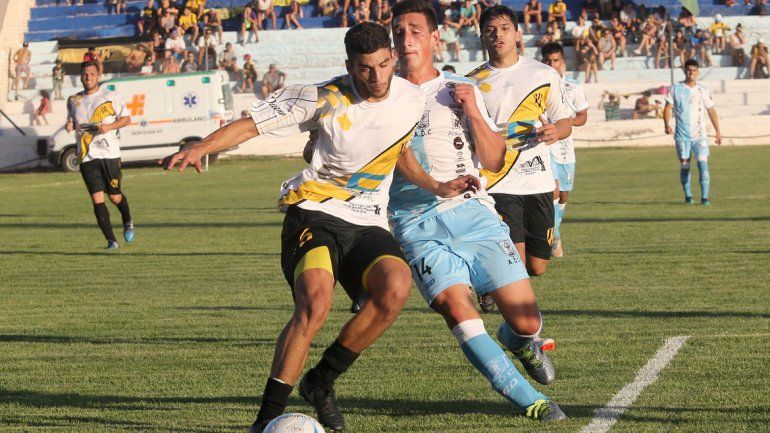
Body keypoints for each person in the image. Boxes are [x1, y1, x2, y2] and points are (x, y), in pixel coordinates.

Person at [162, 22, 428, 433]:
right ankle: (266, 421)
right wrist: (200, 146)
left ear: (392, 58)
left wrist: (437, 183)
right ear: (349, 66)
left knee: (396, 288)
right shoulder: (322, 97)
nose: (374, 77)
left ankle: (320, 382)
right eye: (363, 68)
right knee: (315, 304)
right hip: (314, 212)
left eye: (381, 65)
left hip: (367, 219)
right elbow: (251, 125)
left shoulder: (412, 98)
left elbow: (399, 150)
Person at [387, 1, 566, 422]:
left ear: (435, 38)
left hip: (473, 211)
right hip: (415, 223)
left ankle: (521, 342)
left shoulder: (460, 88)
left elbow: (491, 157)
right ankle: (531, 401)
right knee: (458, 308)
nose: (406, 38)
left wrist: (471, 110)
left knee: (525, 322)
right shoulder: (382, 95)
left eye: (415, 30)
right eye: (398, 32)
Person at [467, 4, 572, 279]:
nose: (497, 35)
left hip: (538, 181)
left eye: (504, 29)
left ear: (517, 34)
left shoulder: (543, 74)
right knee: (514, 261)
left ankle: (489, 284)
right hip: (498, 181)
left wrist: (556, 132)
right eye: (490, 30)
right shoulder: (472, 83)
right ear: (482, 37)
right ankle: (495, 295)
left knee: (537, 267)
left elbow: (565, 121)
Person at [66, 61, 134, 249]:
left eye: (92, 74)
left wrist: (108, 127)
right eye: (85, 74)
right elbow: (71, 121)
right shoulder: (73, 99)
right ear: (80, 76)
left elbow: (127, 119)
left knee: (114, 196)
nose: (88, 77)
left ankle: (127, 220)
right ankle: (111, 241)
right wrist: (69, 125)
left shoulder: (110, 96)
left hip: (109, 153)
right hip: (86, 155)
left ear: (98, 76)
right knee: (97, 197)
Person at [540, 42, 588, 258]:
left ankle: (556, 231)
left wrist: (568, 123)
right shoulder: (538, 86)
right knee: (554, 191)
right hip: (546, 146)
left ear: (563, 62)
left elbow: (582, 117)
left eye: (556, 60)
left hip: (566, 149)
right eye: (548, 61)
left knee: (564, 194)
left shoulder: (574, 86)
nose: (552, 64)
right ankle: (555, 235)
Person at [664, 59, 722, 205]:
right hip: (682, 136)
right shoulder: (675, 88)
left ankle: (705, 198)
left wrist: (718, 131)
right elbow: (667, 108)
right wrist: (667, 124)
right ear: (684, 71)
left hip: (700, 136)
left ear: (698, 72)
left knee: (703, 164)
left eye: (694, 70)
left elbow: (711, 110)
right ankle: (688, 196)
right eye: (689, 70)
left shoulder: (703, 90)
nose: (691, 73)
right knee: (685, 166)